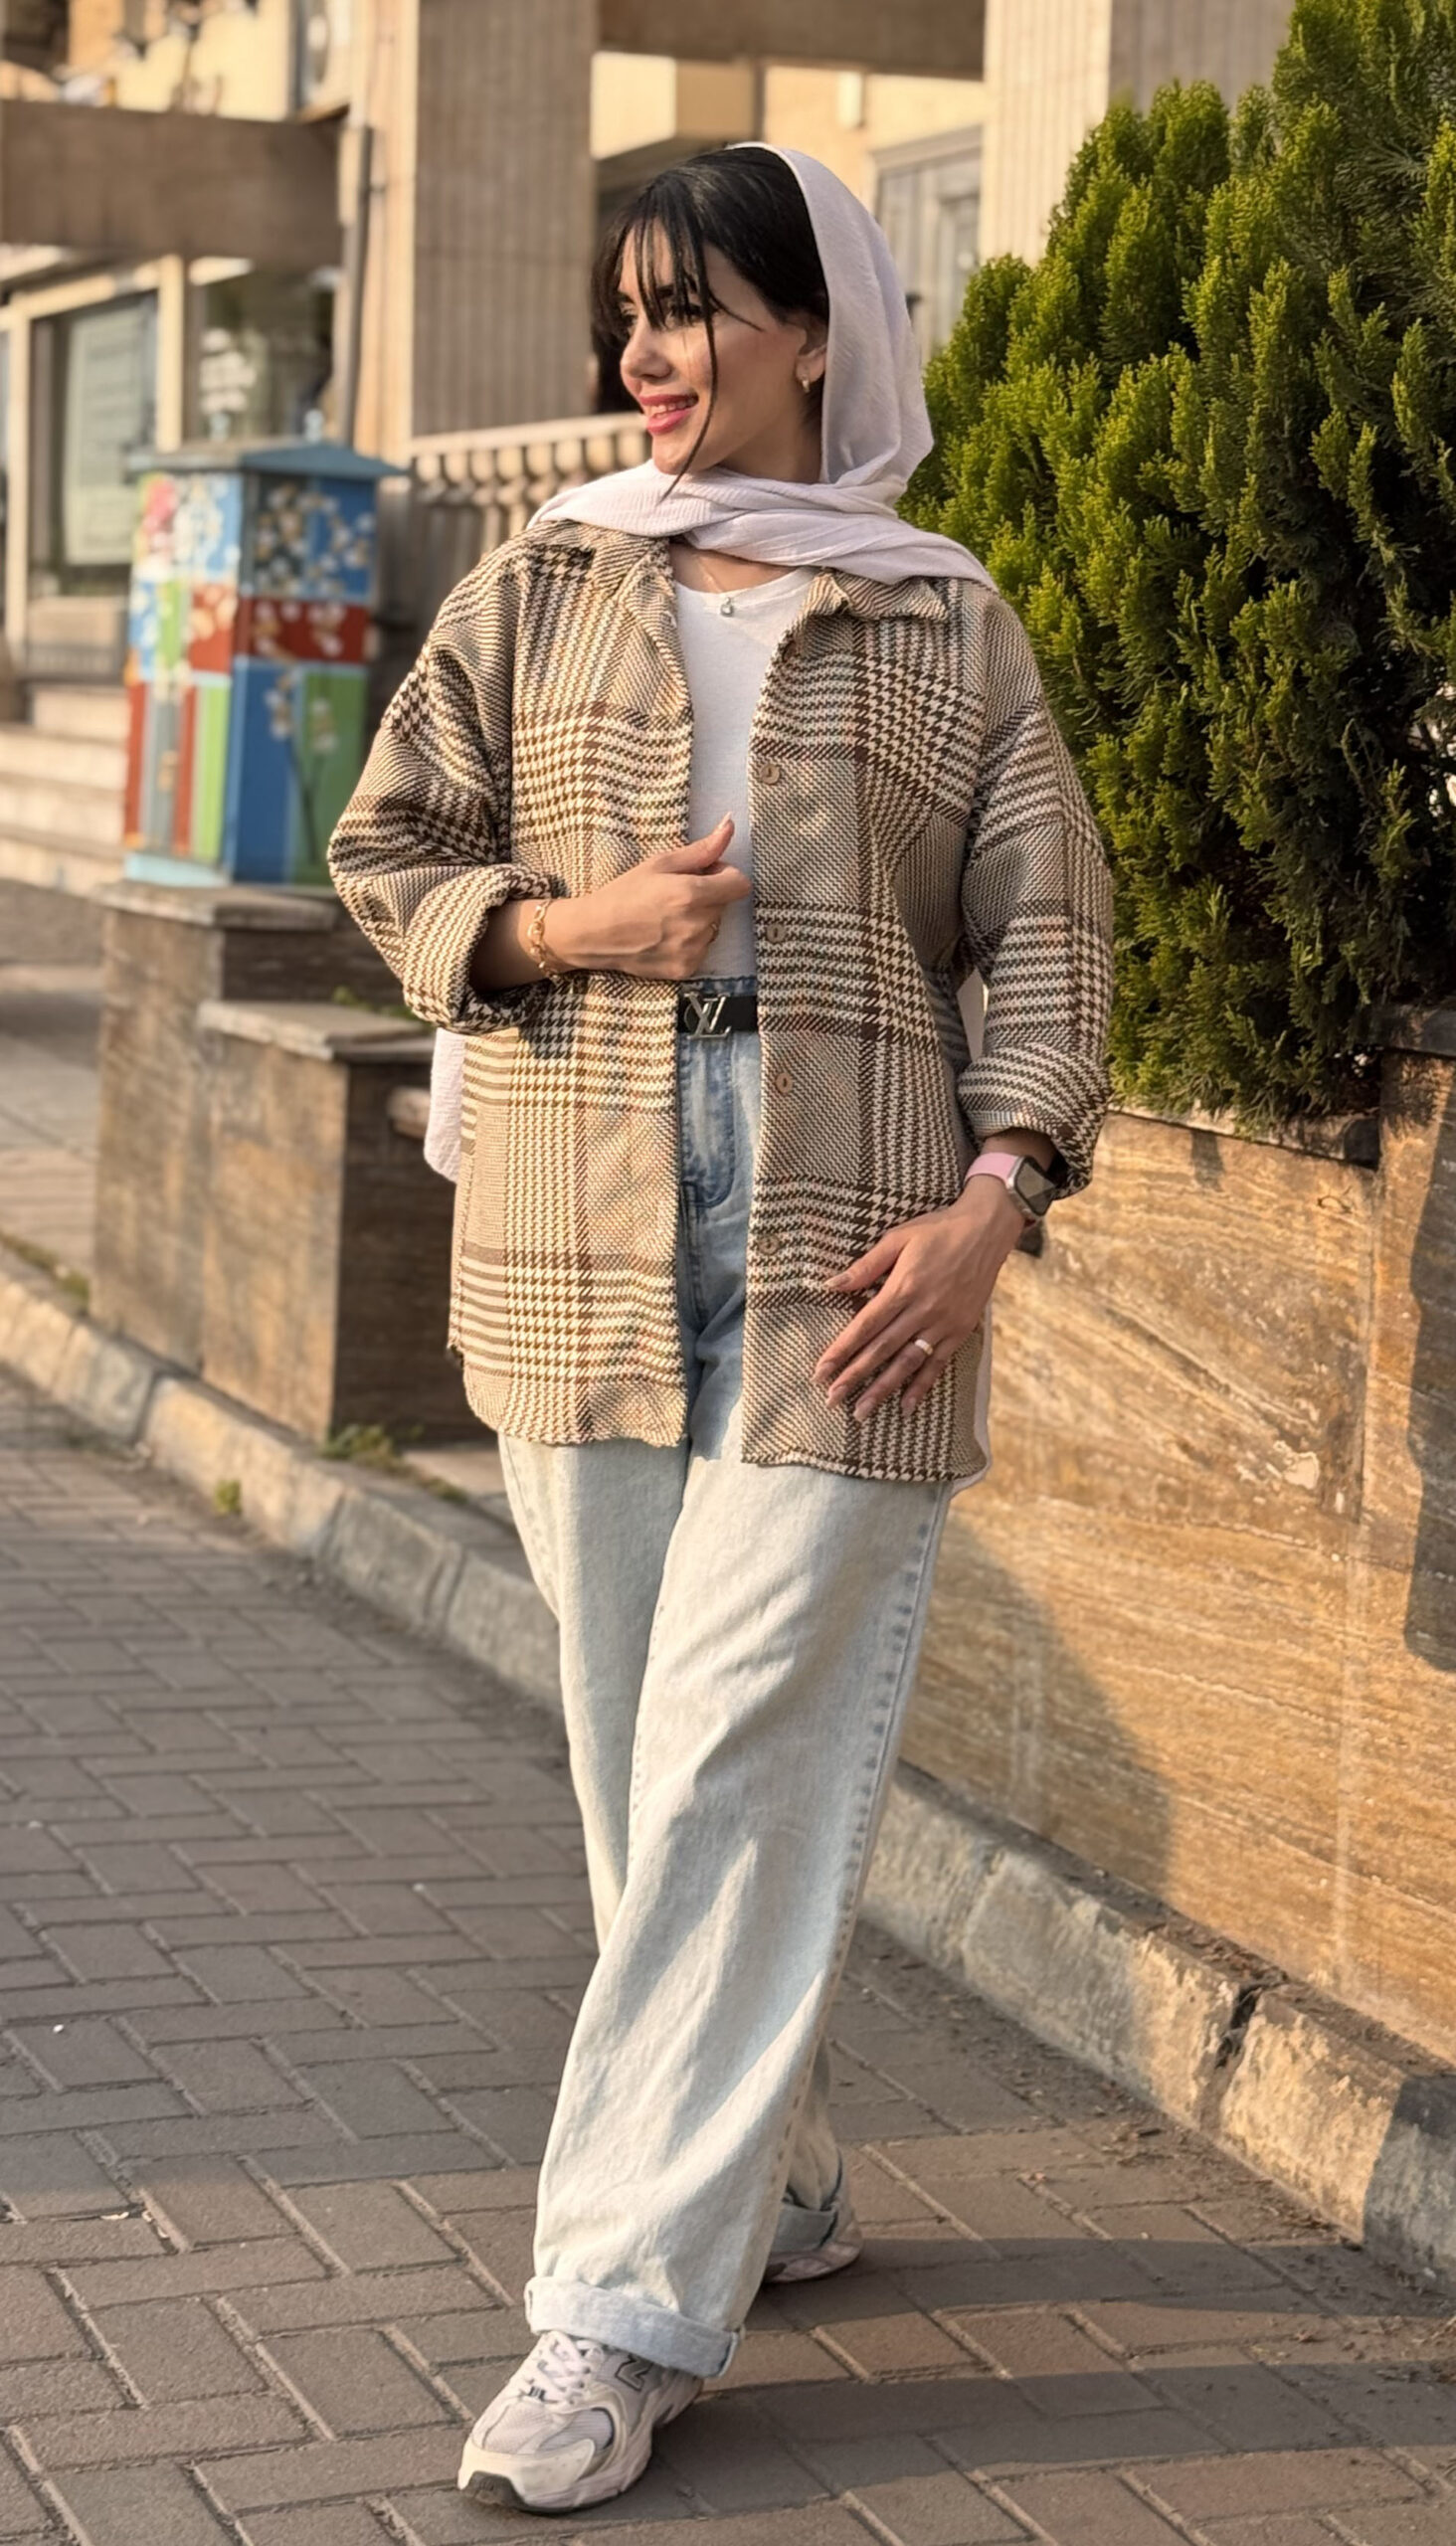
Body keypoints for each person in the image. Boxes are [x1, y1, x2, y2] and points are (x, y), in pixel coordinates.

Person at [328, 142, 1112, 2517]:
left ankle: (614, 2314)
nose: (642, 355)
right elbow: (390, 850)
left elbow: (1050, 937)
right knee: (636, 1770)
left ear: (813, 331)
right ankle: (774, 2179)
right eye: (630, 313)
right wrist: (574, 932)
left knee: (733, 1749)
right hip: (575, 1227)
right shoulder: (544, 574)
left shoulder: (945, 617)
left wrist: (997, 1201)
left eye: (688, 310)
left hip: (859, 1251)